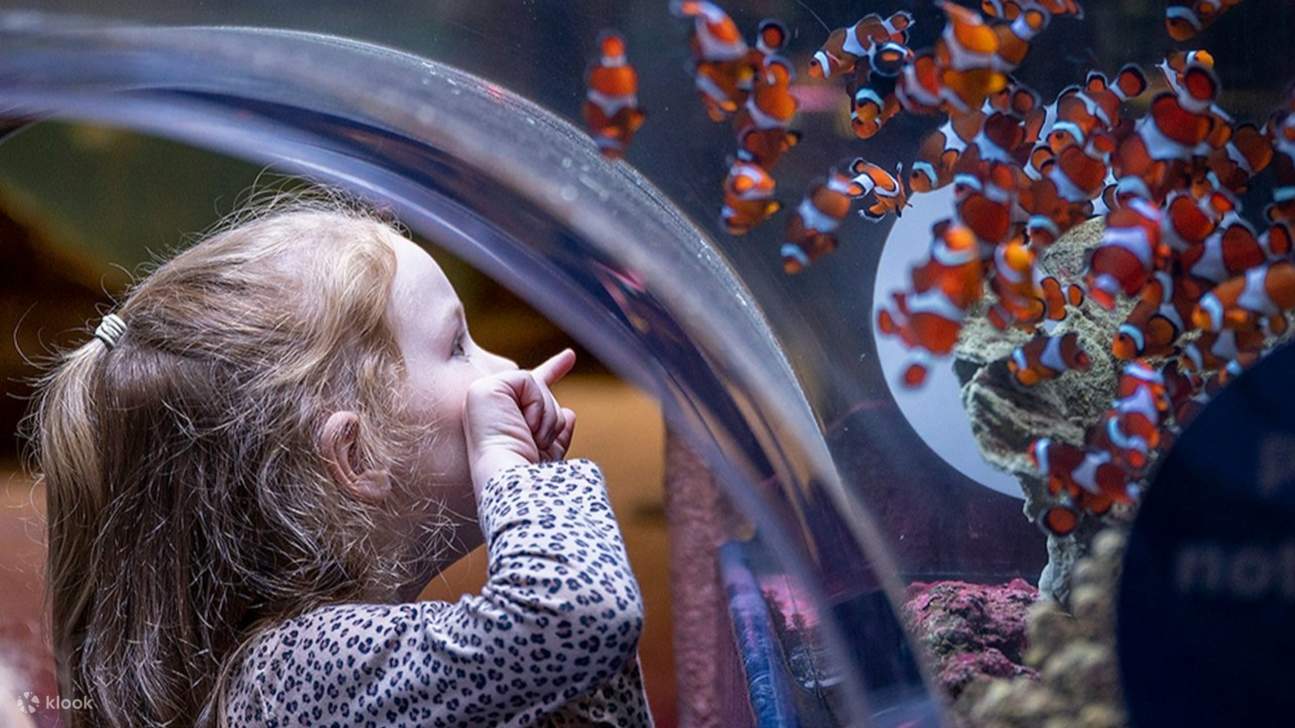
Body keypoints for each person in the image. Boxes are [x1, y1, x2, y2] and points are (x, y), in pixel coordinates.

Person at [26, 195, 652, 727]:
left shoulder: (306, 664)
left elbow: (574, 663)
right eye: (458, 346)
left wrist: (531, 484)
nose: (507, 371)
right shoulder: (290, 676)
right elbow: (576, 619)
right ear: (357, 455)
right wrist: (517, 480)